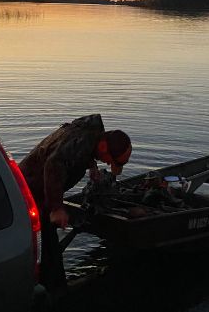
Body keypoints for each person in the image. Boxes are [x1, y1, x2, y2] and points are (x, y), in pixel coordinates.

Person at [18, 114, 132, 292]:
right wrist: (57, 208)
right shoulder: (83, 142)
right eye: (111, 160)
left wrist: (92, 165)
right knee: (44, 245)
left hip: (37, 190)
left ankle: (49, 284)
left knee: (48, 242)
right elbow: (53, 164)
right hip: (29, 191)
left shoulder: (89, 136)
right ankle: (51, 290)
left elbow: (75, 149)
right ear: (103, 146)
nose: (109, 163)